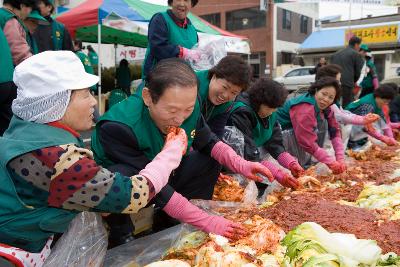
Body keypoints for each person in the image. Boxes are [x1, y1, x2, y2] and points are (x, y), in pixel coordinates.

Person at [0, 51, 191, 266]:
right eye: (85, 94)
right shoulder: (57, 158)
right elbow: (132, 195)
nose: (93, 102)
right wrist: (170, 154)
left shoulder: (25, 131)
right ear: (58, 102)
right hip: (12, 251)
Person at [91, 58, 273, 246]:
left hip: (164, 174)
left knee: (209, 160)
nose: (180, 119)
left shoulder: (187, 107)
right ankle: (121, 234)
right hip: (135, 185)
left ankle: (170, 219)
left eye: (188, 109)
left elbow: (208, 140)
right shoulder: (118, 128)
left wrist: (242, 164)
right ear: (147, 97)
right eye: (172, 111)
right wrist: (205, 221)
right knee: (122, 174)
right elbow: (153, 186)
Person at [225, 78, 302, 191]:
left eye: (275, 109)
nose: (272, 112)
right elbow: (248, 152)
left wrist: (290, 162)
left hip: (255, 161)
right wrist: (276, 173)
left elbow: (274, 141)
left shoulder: (269, 112)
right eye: (270, 108)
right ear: (259, 102)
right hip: (234, 164)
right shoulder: (241, 112)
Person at [276, 77, 346, 173]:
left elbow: (334, 130)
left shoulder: (327, 107)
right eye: (324, 94)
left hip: (297, 137)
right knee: (289, 170)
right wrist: (331, 162)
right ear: (316, 90)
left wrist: (340, 158)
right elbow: (307, 142)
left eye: (330, 97)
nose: (326, 99)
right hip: (279, 136)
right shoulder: (305, 108)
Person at [0, 0, 35, 135]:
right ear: (21, 5)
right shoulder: (9, 19)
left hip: (5, 78)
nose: (28, 13)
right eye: (28, 9)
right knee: (7, 126)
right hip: (9, 78)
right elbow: (19, 52)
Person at [141, 0, 200, 79]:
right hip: (158, 80)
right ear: (171, 2)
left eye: (186, 0)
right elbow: (157, 47)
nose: (182, 4)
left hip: (184, 81)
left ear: (192, 4)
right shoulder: (160, 19)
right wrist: (182, 52)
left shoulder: (192, 29)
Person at [197, 55, 252, 137]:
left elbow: (216, 132)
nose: (226, 96)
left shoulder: (227, 105)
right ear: (214, 76)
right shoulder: (191, 86)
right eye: (225, 87)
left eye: (234, 93)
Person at [315, 64, 380, 126]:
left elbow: (341, 113)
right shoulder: (312, 103)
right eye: (338, 81)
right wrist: (363, 119)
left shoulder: (333, 99)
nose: (340, 83)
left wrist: (364, 118)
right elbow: (340, 116)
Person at [330, 36, 364, 107]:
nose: (359, 48)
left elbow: (330, 68)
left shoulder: (335, 54)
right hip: (347, 83)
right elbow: (358, 72)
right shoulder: (356, 54)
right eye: (359, 45)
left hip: (334, 82)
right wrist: (354, 81)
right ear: (356, 44)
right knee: (347, 105)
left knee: (333, 104)